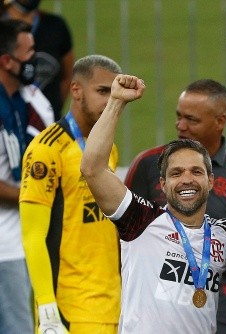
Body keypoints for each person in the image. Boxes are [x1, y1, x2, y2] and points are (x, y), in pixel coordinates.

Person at [80, 74, 226, 334]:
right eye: (176, 173)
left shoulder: (225, 236)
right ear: (163, 183)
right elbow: (92, 168)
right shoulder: (140, 220)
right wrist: (115, 102)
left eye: (196, 171)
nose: (186, 180)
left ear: (211, 180)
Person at [124, 78, 226, 333]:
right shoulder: (148, 164)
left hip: (218, 302)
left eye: (192, 120)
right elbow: (122, 242)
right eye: (179, 116)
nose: (181, 125)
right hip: (151, 302)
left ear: (220, 121)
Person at [19, 54, 122, 334]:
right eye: (102, 91)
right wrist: (46, 305)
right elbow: (32, 235)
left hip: (113, 307)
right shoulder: (47, 150)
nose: (109, 102)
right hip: (69, 311)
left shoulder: (107, 150)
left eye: (114, 94)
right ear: (76, 90)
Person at [0, 18, 52, 334]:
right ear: (7, 61)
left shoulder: (26, 100)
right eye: (28, 53)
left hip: (20, 241)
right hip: (4, 247)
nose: (35, 60)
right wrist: (34, 196)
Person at [4, 0, 74, 118]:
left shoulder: (56, 27)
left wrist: (49, 109)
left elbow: (67, 75)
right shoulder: (3, 28)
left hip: (47, 124)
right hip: (8, 121)